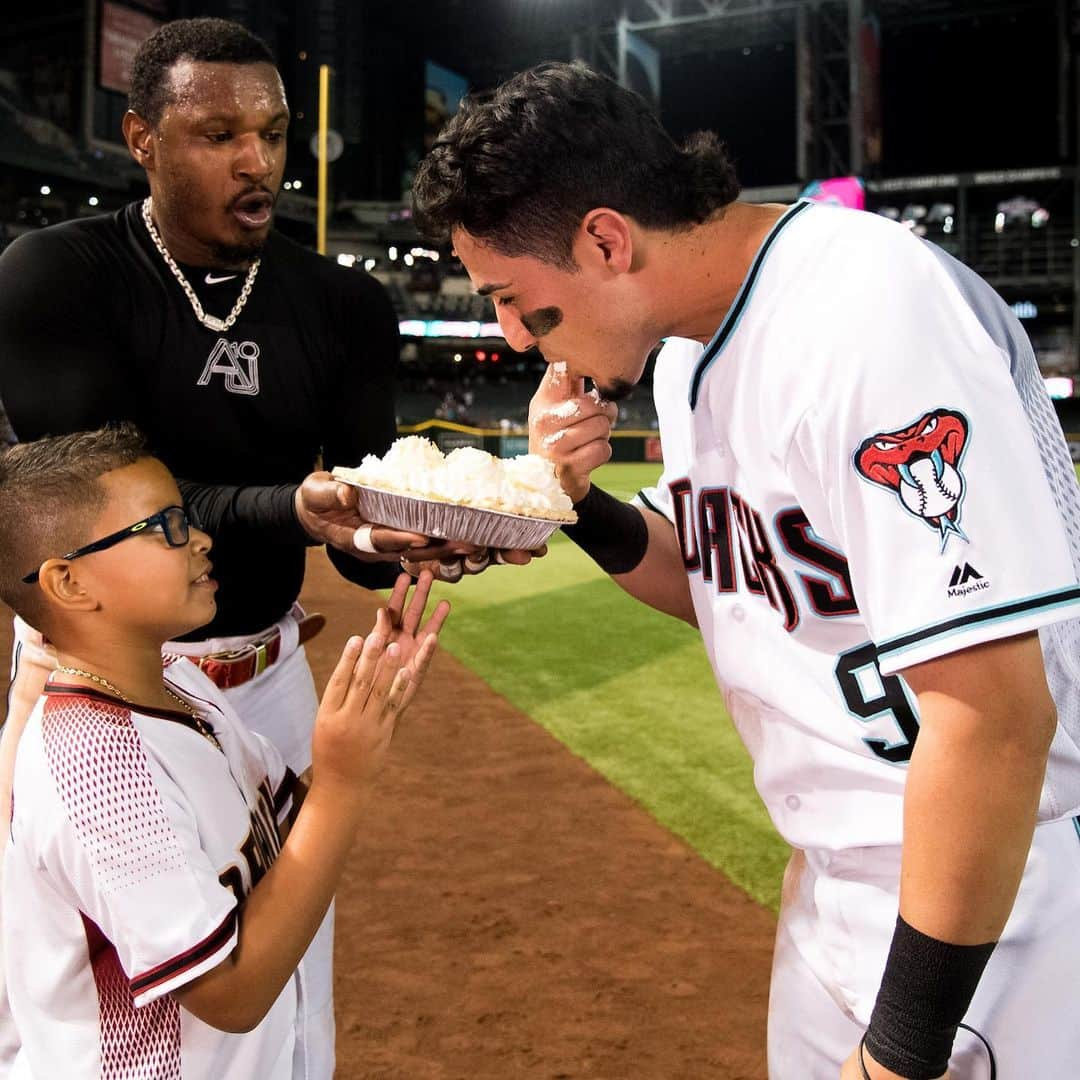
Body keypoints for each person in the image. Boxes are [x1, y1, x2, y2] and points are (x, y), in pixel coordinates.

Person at [413, 61, 1080, 1079]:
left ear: (605, 239)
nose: (512, 335)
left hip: (995, 895)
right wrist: (577, 508)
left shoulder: (865, 310)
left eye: (521, 303)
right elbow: (730, 583)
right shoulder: (684, 352)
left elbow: (995, 715)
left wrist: (901, 1051)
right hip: (837, 884)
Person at [0, 17, 498, 1074]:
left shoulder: (343, 304)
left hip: (266, 677)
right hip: (100, 675)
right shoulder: (57, 274)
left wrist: (424, 535)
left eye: (272, 133)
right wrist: (293, 508)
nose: (257, 160)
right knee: (91, 982)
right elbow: (88, 517)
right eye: (217, 133)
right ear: (140, 137)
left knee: (286, 963)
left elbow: (357, 535)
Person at [0, 424, 448, 1078]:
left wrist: (368, 717)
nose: (202, 538)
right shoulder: (93, 770)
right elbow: (230, 993)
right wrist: (345, 783)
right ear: (69, 583)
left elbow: (283, 833)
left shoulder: (176, 682)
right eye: (168, 526)